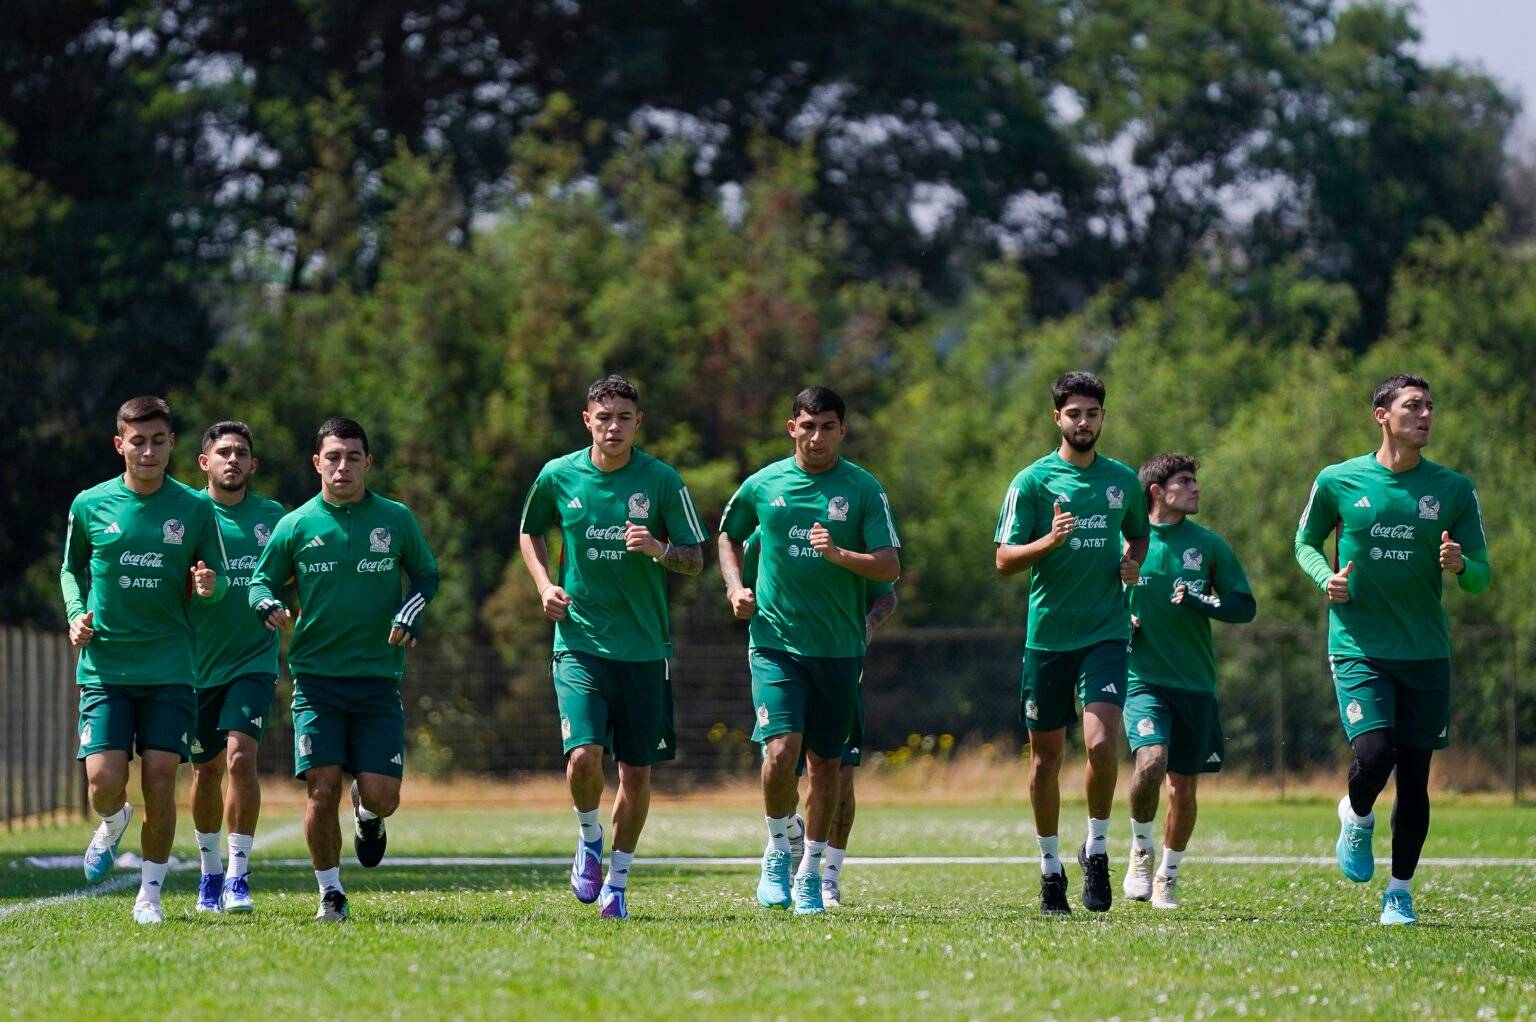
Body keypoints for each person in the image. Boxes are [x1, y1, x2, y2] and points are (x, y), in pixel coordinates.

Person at [1295, 373, 1489, 926]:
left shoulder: (1454, 489)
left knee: (1415, 777)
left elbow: (1481, 576)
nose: (1425, 415)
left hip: (1426, 652)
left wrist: (1462, 566)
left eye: (1429, 406)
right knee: (1376, 753)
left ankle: (1399, 893)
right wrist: (1325, 578)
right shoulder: (1338, 479)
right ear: (1382, 415)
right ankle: (1357, 816)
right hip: (1358, 645)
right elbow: (1304, 542)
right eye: (1413, 406)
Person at [519, 375, 708, 920]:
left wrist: (658, 548)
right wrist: (544, 586)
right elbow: (530, 531)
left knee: (636, 775)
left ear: (638, 422)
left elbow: (694, 559)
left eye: (624, 417)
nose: (614, 427)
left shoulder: (662, 481)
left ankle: (618, 884)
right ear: (588, 421)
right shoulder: (558, 475)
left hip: (644, 650)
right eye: (604, 417)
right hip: (579, 642)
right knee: (583, 756)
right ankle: (588, 838)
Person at [248, 417, 439, 922]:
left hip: (378, 681)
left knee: (383, 795)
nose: (343, 467)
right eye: (333, 457)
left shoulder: (395, 518)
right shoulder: (297, 525)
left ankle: (369, 814)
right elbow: (260, 581)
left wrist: (412, 609)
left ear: (368, 462)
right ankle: (330, 892)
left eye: (353, 457)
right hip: (316, 682)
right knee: (321, 787)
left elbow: (427, 573)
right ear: (317, 463)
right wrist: (266, 602)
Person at [718, 386, 900, 915]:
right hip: (775, 642)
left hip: (838, 650)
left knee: (826, 766)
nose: (816, 437)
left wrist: (840, 555)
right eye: (808, 426)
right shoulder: (764, 484)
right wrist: (735, 588)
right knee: (780, 752)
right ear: (791, 428)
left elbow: (889, 567)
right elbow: (728, 535)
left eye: (827, 427)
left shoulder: (863, 489)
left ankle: (811, 874)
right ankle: (779, 850)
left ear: (842, 430)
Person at [61, 395, 227, 924]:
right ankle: (113, 823)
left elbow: (219, 580)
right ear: (120, 445)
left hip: (170, 669)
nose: (148, 451)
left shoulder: (195, 508)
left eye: (158, 441)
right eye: (138, 441)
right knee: (103, 781)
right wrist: (76, 614)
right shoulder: (90, 504)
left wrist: (210, 586)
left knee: (160, 778)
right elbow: (70, 569)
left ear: (172, 444)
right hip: (106, 668)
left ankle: (149, 896)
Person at [994, 371, 1148, 915]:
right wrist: (1050, 541)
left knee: (1103, 744)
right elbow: (1004, 559)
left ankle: (1097, 851)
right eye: (1075, 414)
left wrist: (1132, 561)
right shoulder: (1032, 482)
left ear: (1103, 417)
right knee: (1046, 761)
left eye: (1093, 413)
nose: (1084, 422)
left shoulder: (1122, 480)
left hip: (1106, 632)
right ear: (1057, 417)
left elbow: (1139, 532)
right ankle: (1050, 870)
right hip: (1048, 639)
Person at [1121, 453, 1255, 910]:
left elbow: (1244, 605)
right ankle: (1141, 851)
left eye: (1195, 480)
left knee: (1183, 786)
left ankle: (1168, 875)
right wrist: (1121, 620)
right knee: (1151, 761)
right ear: (1157, 491)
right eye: (1185, 481)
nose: (1195, 488)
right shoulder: (1125, 541)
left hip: (1195, 684)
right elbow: (1097, 595)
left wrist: (1204, 602)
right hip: (1141, 679)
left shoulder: (1208, 544)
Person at [741, 528, 898, 909]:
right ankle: (785, 840)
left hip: (838, 667)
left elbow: (885, 594)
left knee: (837, 773)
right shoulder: (767, 531)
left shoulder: (848, 536)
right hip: (783, 661)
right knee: (781, 758)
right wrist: (738, 595)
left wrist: (869, 623)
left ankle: (825, 879)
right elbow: (745, 583)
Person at [187, 421, 287, 914]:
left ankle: (238, 876)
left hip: (254, 658)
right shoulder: (185, 513)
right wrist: (197, 586)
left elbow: (293, 574)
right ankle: (210, 873)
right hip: (195, 666)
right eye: (223, 452)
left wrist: (286, 604)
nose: (232, 459)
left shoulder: (274, 516)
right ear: (204, 462)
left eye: (241, 452)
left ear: (253, 464)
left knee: (241, 757)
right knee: (205, 770)